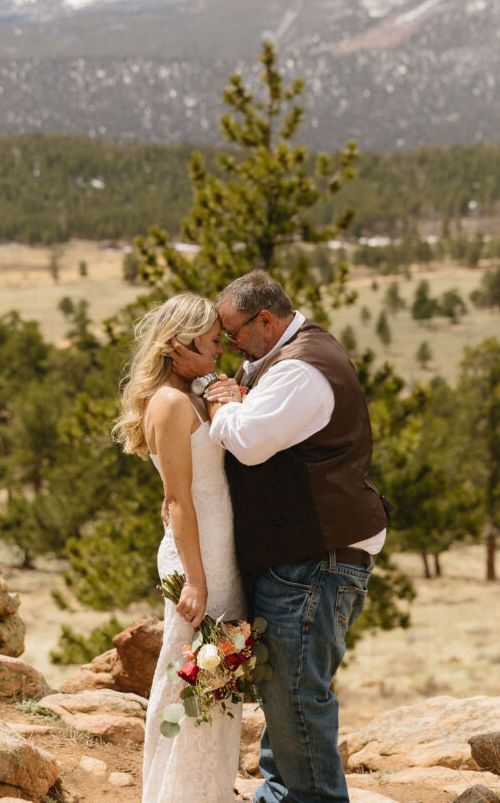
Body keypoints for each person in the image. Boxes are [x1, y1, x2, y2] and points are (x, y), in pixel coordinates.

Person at [172, 271, 389, 803]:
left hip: (315, 557)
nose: (226, 345)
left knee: (295, 695)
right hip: (302, 553)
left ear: (265, 320)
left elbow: (247, 441)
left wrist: (223, 398)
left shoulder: (302, 371)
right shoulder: (278, 360)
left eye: (232, 332)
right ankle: (280, 795)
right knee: (284, 691)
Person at [114, 292, 246, 803]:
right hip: (201, 558)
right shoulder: (170, 403)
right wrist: (195, 579)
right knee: (189, 679)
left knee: (214, 686)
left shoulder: (192, 393)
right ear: (179, 344)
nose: (219, 352)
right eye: (212, 343)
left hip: (216, 551)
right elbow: (178, 498)